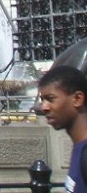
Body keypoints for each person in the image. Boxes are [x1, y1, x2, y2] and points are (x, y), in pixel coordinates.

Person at [39, 64, 87, 193]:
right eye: (42, 100)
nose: (44, 107)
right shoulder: (79, 148)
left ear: (77, 99)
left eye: (50, 99)